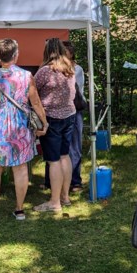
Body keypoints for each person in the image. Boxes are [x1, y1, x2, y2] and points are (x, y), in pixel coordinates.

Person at [0, 38, 48, 223]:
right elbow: (35, 102)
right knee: (20, 168)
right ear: (16, 54)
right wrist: (44, 122)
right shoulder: (27, 76)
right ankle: (19, 210)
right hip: (20, 124)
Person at [33, 37, 77, 213]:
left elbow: (32, 91)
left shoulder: (45, 71)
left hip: (50, 119)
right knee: (64, 156)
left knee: (53, 161)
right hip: (69, 115)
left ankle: (54, 202)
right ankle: (65, 197)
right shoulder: (70, 70)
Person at [63, 40, 87, 193]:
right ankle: (50, 180)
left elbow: (70, 89)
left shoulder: (77, 69)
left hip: (74, 110)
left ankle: (75, 181)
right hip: (59, 111)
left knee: (75, 147)